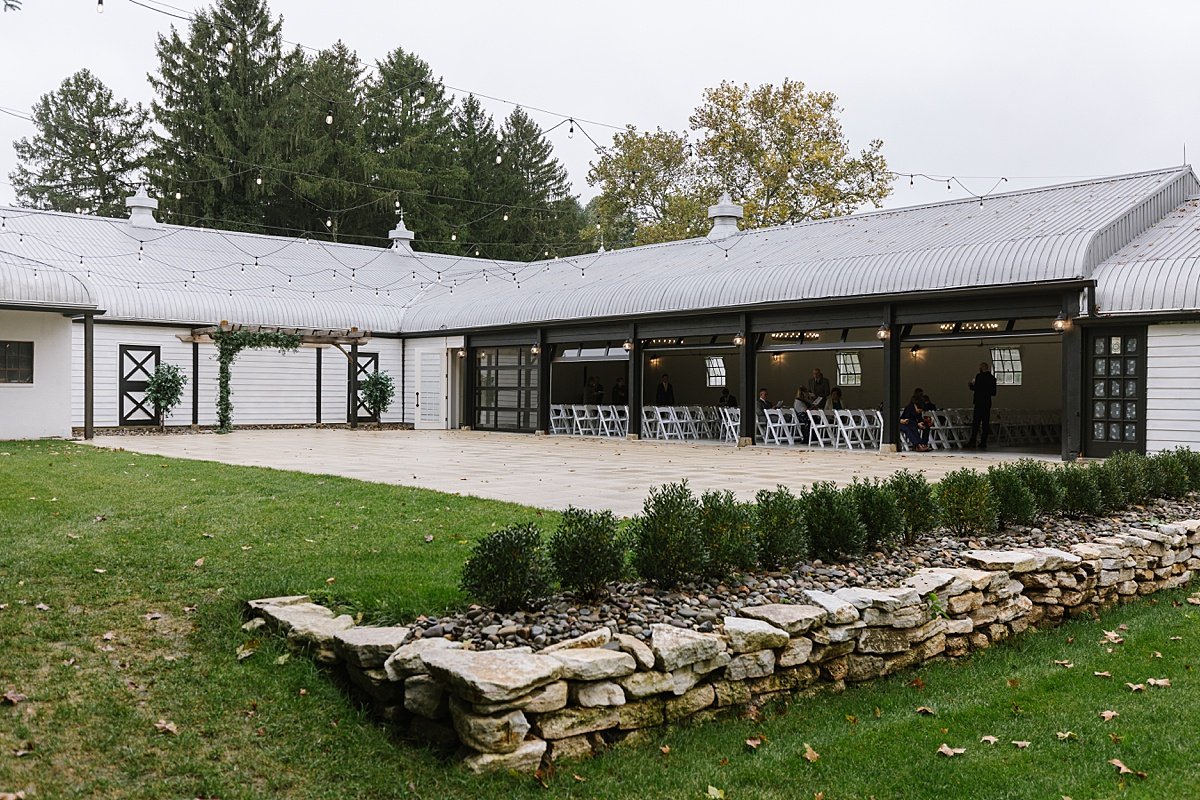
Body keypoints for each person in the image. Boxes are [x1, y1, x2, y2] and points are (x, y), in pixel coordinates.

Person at [965, 362, 997, 449]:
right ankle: (983, 442)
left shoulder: (979, 376)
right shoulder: (992, 378)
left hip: (979, 402)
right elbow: (994, 393)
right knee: (985, 423)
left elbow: (977, 388)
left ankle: (973, 441)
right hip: (987, 402)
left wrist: (971, 386)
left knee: (976, 423)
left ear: (982, 368)